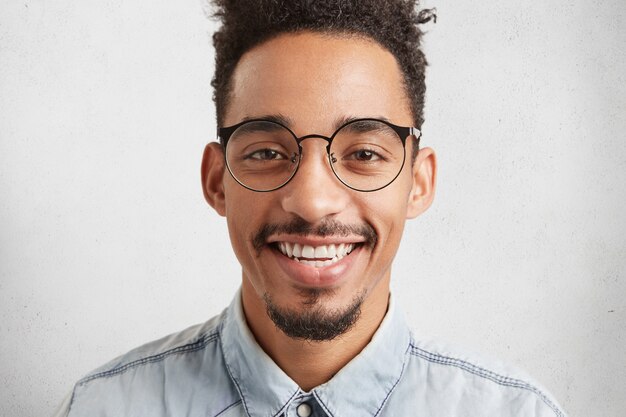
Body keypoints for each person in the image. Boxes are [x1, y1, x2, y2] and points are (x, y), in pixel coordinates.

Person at [54, 1, 567, 416]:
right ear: (217, 181)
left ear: (418, 182)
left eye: (364, 154)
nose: (312, 200)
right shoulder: (101, 408)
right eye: (268, 153)